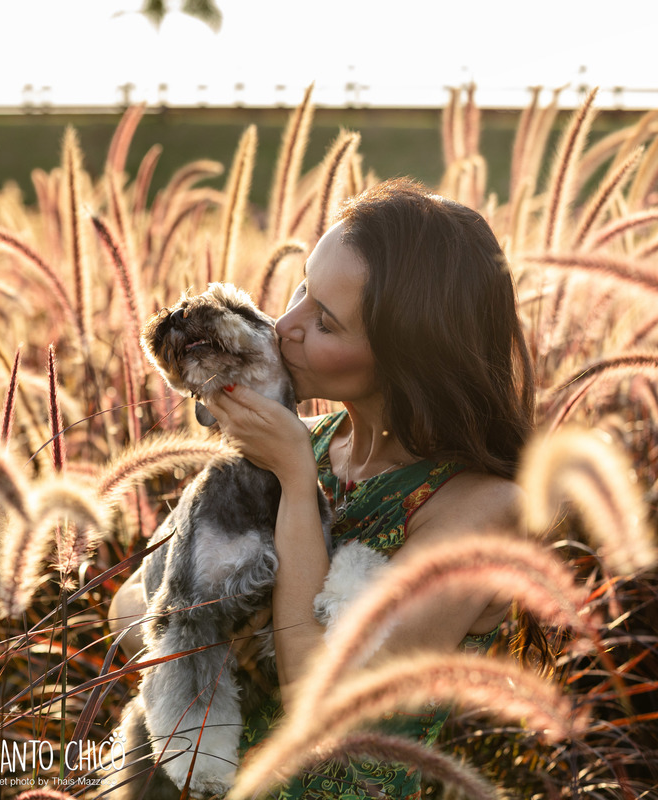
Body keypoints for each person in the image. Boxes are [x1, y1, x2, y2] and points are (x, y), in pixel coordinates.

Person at [108, 178, 539, 798]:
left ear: (408, 357)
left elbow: (316, 697)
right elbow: (130, 605)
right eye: (303, 287)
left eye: (326, 323)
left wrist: (292, 485)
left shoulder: (479, 512)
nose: (285, 325)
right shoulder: (292, 439)